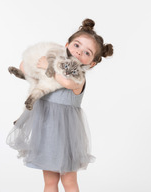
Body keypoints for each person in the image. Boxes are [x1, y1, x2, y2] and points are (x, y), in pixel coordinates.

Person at [7, 18, 113, 192]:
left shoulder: (78, 77)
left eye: (87, 53)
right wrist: (37, 62)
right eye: (77, 46)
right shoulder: (54, 62)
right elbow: (24, 68)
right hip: (46, 132)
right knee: (50, 183)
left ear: (92, 63)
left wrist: (49, 67)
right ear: (66, 45)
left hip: (67, 137)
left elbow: (68, 83)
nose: (79, 53)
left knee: (69, 182)